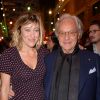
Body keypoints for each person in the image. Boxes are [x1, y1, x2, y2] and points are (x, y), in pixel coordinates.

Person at [44, 13, 100, 100]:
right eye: (62, 33)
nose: (67, 37)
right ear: (58, 36)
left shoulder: (95, 60)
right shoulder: (46, 60)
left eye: (71, 32)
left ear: (78, 35)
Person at [0, 12, 48, 100]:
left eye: (36, 30)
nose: (32, 35)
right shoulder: (8, 55)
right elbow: (4, 89)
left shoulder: (44, 53)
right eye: (27, 30)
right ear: (19, 31)